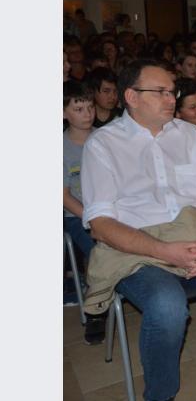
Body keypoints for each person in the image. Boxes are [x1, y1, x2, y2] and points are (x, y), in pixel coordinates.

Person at [80, 60, 196, 401]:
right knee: (168, 306)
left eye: (173, 91)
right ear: (131, 96)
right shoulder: (103, 144)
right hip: (137, 248)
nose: (171, 98)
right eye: (161, 92)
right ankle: (161, 394)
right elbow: (102, 224)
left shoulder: (188, 135)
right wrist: (165, 251)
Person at [63, 81, 107, 344]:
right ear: (64, 113)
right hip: (78, 215)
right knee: (98, 248)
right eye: (78, 108)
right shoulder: (59, 147)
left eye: (90, 107)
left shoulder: (106, 136)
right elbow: (64, 197)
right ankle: (96, 309)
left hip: (114, 207)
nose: (87, 113)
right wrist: (93, 219)